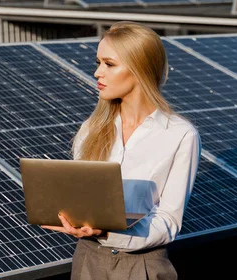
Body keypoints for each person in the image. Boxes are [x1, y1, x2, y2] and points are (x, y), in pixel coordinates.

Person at [42, 21, 201, 280]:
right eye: (98, 63)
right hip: (88, 261)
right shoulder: (91, 129)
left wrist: (107, 233)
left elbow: (169, 220)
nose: (97, 73)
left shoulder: (180, 134)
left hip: (143, 267)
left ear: (139, 69)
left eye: (109, 64)